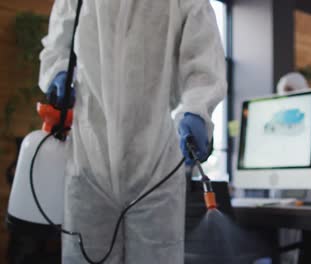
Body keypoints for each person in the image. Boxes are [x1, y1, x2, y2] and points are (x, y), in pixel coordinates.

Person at [38, 0, 226, 263]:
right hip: (89, 162)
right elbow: (57, 47)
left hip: (155, 166)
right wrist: (58, 73)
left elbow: (203, 58)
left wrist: (197, 109)